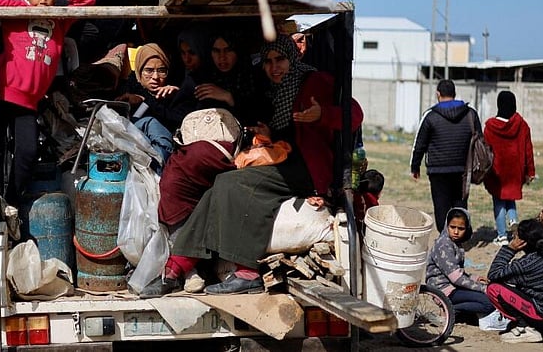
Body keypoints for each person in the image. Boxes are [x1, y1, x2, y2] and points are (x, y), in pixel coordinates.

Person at [140, 35, 363, 297]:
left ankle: (247, 271)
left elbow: (355, 114)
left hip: (309, 169)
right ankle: (175, 269)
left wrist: (322, 114)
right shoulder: (278, 89)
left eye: (279, 59)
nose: (273, 67)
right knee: (216, 189)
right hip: (287, 160)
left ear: (292, 59)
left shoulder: (313, 81)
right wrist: (268, 133)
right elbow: (289, 134)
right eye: (268, 61)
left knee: (233, 183)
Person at [0, 0, 95, 213]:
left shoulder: (59, 20)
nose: (43, 1)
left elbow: (88, 0)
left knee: (27, 151)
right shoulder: (16, 10)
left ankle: (10, 200)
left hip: (29, 100)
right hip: (2, 89)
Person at [410, 79, 481, 232]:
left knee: (441, 205)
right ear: (455, 94)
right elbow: (479, 141)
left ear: (438, 94)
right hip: (463, 169)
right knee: (460, 204)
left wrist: (415, 166)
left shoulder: (430, 116)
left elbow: (419, 143)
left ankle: (445, 237)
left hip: (438, 171)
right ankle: (460, 236)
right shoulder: (470, 114)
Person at [486, 219, 543, 343]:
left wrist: (510, 249)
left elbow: (493, 274)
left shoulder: (525, 265)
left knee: (493, 288)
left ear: (522, 242)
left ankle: (525, 327)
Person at [116, 43, 196, 166]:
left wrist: (177, 96)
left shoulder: (170, 92)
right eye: (148, 70)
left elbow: (184, 121)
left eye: (161, 71)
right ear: (139, 70)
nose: (155, 77)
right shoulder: (128, 90)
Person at [483, 91, 535, 246]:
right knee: (510, 198)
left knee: (498, 201)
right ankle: (513, 220)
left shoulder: (490, 127)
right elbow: (528, 150)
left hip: (496, 172)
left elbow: (485, 152)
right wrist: (530, 171)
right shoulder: (522, 125)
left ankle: (502, 236)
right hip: (515, 171)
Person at [426, 208, 495, 319]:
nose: (456, 232)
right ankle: (450, 311)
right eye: (452, 227)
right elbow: (456, 278)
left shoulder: (455, 243)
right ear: (446, 225)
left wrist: (475, 278)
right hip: (443, 290)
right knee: (488, 303)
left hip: (453, 287)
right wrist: (483, 288)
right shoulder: (444, 245)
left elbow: (457, 272)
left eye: (461, 228)